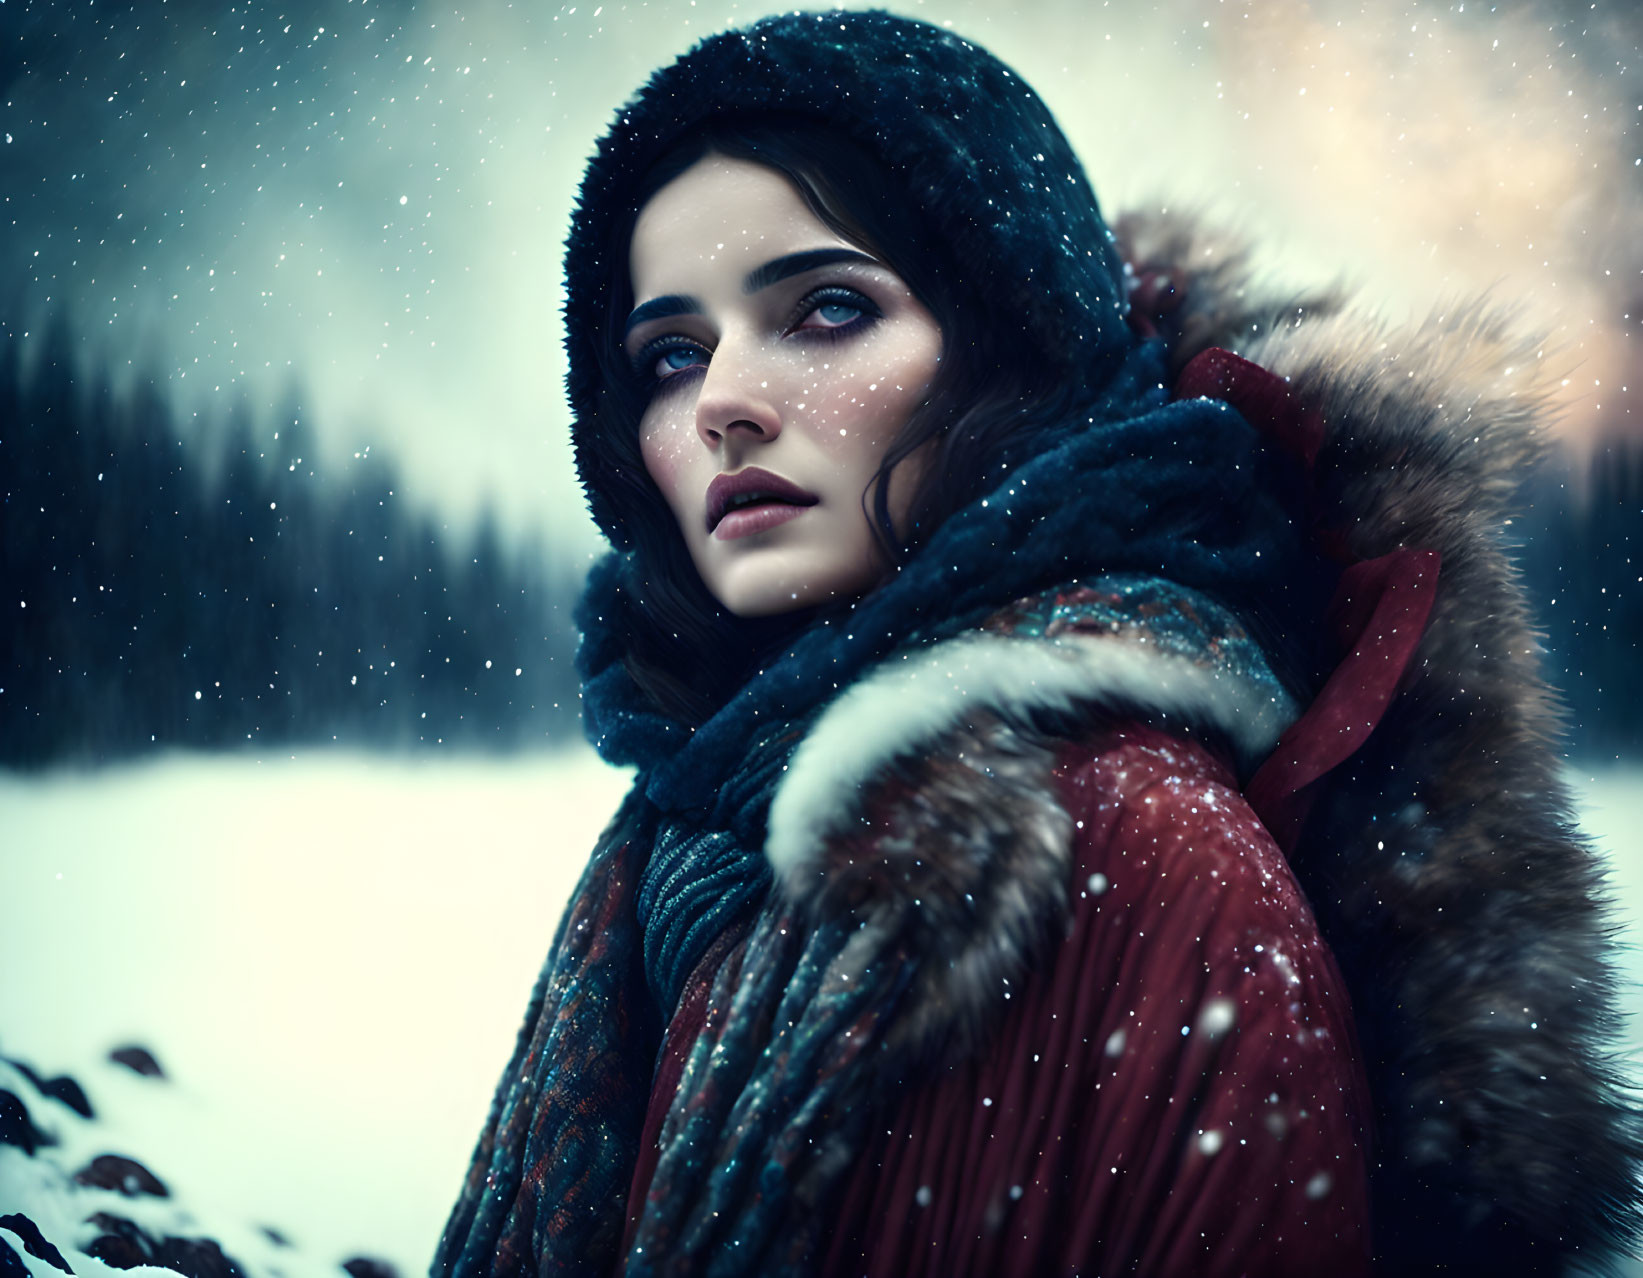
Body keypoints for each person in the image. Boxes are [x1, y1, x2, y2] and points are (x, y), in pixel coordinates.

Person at [434, 11, 1642, 1277]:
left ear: (1014, 356)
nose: (722, 399)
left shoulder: (1151, 855)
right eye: (669, 354)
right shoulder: (691, 835)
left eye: (827, 308)